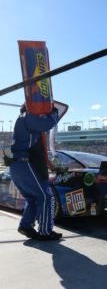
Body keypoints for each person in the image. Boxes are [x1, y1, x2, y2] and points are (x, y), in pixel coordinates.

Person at [10, 103, 62, 240]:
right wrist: (54, 113)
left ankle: (26, 226)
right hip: (24, 164)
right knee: (46, 197)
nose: (42, 115)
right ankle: (46, 231)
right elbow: (46, 124)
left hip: (20, 165)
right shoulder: (27, 116)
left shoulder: (24, 120)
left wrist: (47, 163)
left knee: (33, 198)